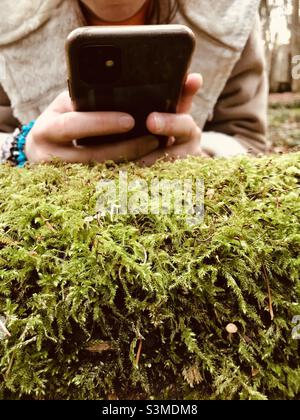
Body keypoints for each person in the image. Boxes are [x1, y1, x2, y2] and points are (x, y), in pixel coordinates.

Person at [0, 0, 270, 167]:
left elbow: (248, 141)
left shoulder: (233, 18)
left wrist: (204, 156)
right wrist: (21, 148)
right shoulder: (6, 21)